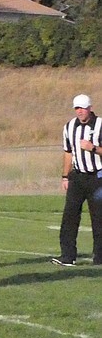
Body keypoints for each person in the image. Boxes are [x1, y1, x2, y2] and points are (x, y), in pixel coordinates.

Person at [53, 93, 102, 266]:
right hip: (77, 178)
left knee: (99, 218)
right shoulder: (69, 127)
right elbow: (68, 152)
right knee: (70, 216)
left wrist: (93, 148)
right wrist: (65, 176)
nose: (80, 111)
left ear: (90, 108)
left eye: (82, 108)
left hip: (98, 178)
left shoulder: (100, 125)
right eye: (77, 108)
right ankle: (67, 256)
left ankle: (100, 258)